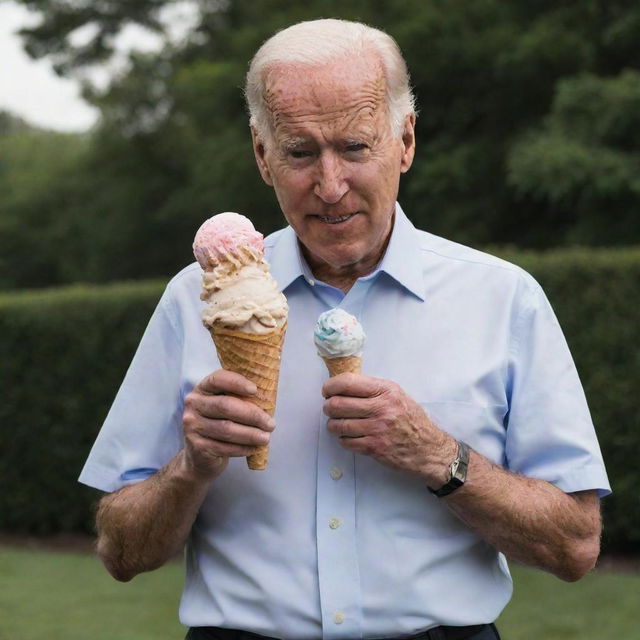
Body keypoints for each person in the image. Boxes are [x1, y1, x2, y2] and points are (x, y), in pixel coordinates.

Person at [79, 18, 610, 640]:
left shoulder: (503, 298)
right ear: (262, 154)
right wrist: (190, 466)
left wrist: (440, 456)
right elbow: (120, 552)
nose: (330, 188)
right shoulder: (192, 299)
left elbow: (575, 547)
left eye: (355, 148)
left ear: (405, 141)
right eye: (301, 153)